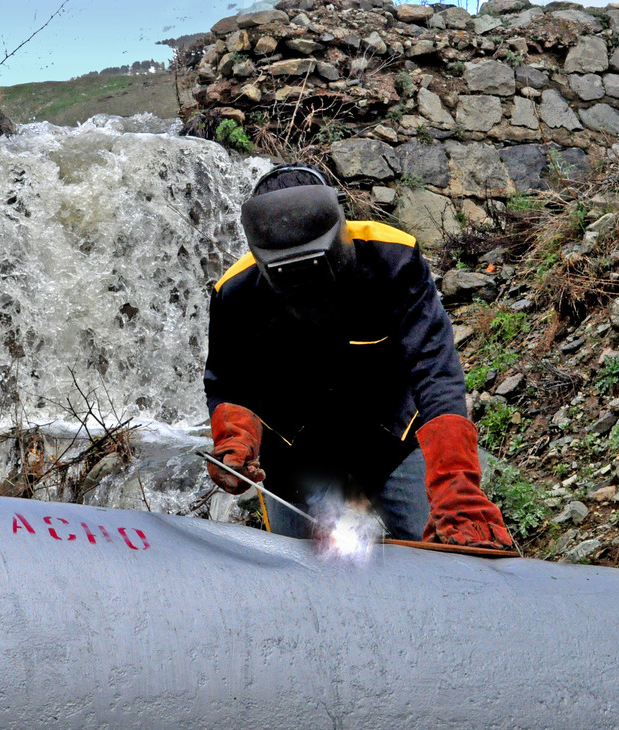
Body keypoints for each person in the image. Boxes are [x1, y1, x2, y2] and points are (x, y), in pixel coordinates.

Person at [203, 163, 512, 548]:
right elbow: (229, 381)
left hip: (391, 436)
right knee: (299, 574)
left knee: (448, 552)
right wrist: (235, 439)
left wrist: (456, 485)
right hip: (297, 455)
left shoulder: (393, 258)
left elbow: (434, 368)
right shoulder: (235, 292)